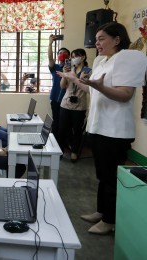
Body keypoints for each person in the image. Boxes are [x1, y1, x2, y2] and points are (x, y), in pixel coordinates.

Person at [57, 22, 147, 234]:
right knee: (102, 174)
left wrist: (100, 86)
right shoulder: (101, 60)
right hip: (98, 127)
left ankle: (110, 220)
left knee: (110, 177)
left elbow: (125, 94)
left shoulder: (128, 58)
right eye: (96, 39)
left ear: (117, 39)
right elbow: (92, 91)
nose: (97, 43)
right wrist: (73, 79)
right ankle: (101, 211)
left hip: (115, 131)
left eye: (102, 39)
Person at [58, 48, 92, 162]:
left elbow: (89, 90)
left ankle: (74, 152)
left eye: (76, 56)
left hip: (80, 105)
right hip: (66, 103)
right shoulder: (69, 70)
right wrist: (64, 75)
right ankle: (60, 151)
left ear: (83, 57)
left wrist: (78, 78)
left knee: (77, 130)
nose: (73, 59)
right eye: (72, 57)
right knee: (62, 129)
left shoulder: (88, 71)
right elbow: (62, 86)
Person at [48, 35, 70, 142]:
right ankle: (54, 142)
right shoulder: (55, 67)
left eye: (65, 53)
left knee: (65, 123)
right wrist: (50, 43)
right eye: (60, 53)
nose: (62, 54)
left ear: (69, 56)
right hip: (56, 99)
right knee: (56, 121)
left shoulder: (72, 68)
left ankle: (63, 143)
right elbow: (50, 58)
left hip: (67, 101)